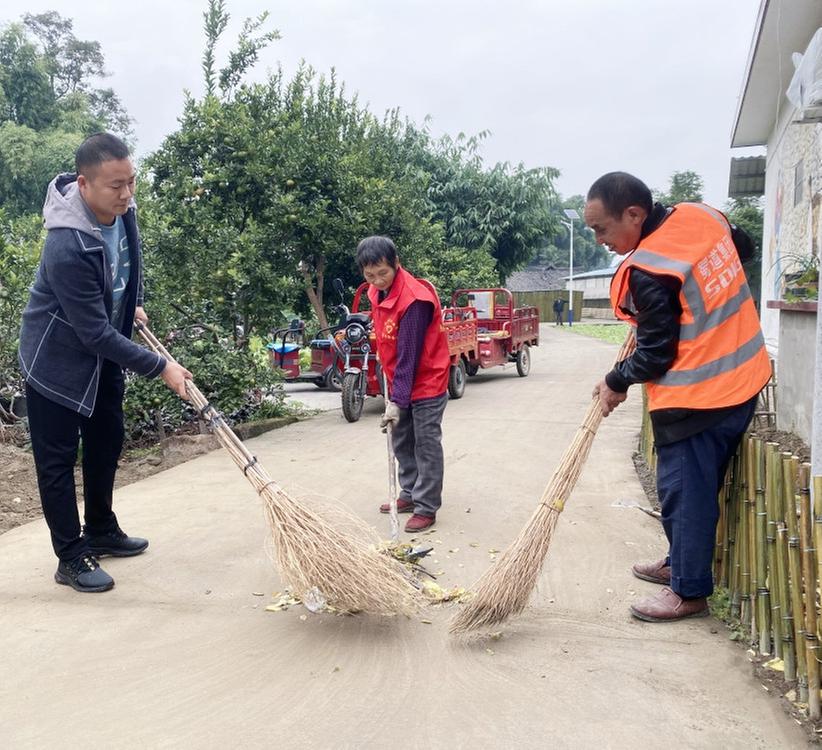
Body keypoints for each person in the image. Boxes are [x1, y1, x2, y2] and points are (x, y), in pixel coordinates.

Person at [584, 171, 770, 623]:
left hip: (701, 397)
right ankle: (677, 563)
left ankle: (688, 591)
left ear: (634, 213)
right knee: (687, 492)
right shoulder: (701, 216)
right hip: (744, 376)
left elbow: (655, 354)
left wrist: (615, 380)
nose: (599, 240)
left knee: (684, 493)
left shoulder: (648, 269)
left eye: (601, 228)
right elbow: (742, 247)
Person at [18, 133, 192, 594]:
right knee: (56, 462)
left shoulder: (123, 213)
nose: (127, 193)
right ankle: (71, 556)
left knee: (105, 440)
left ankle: (101, 528)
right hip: (54, 363)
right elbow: (91, 332)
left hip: (102, 356)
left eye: (131, 182)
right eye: (116, 185)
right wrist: (162, 367)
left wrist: (127, 304)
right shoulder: (66, 245)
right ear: (84, 184)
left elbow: (123, 271)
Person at [355, 236, 450, 533]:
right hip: (398, 378)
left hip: (426, 380)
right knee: (402, 440)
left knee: (425, 444)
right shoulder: (375, 291)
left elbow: (409, 357)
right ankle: (409, 493)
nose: (377, 280)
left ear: (396, 263)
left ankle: (426, 506)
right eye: (370, 275)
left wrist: (397, 402)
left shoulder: (415, 300)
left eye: (383, 273)